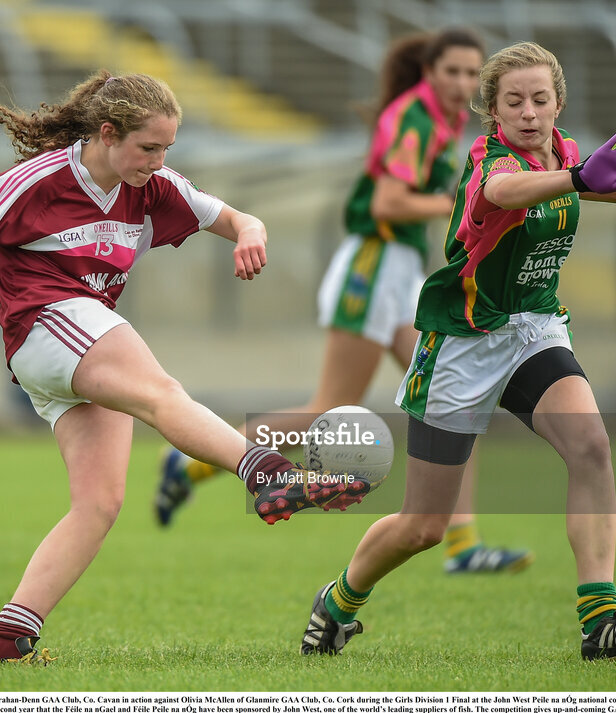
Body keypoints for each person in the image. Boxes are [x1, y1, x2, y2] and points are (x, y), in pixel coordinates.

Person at [0, 70, 373, 665]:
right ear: (106, 132)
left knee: (98, 505)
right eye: (148, 148)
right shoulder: (38, 180)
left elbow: (237, 218)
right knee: (160, 392)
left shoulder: (154, 185)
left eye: (168, 148)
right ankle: (267, 473)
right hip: (46, 324)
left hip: (77, 342)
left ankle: (7, 641)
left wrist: (251, 232)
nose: (159, 160)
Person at [299, 41, 616, 661]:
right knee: (424, 527)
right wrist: (581, 177)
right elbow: (512, 193)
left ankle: (600, 618)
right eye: (514, 101)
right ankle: (339, 601)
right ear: (493, 111)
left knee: (590, 446)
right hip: (463, 343)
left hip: (533, 328)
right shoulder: (491, 161)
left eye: (541, 99)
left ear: (558, 102)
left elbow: (582, 181)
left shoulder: (564, 152)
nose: (530, 111)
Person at [154, 28, 534, 573]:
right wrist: (460, 200)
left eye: (473, 73)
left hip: (400, 272)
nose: (463, 82)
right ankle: (190, 463)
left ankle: (463, 545)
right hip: (372, 268)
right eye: (452, 71)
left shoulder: (441, 119)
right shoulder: (415, 116)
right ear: (431, 74)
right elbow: (388, 201)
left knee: (454, 402)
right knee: (328, 409)